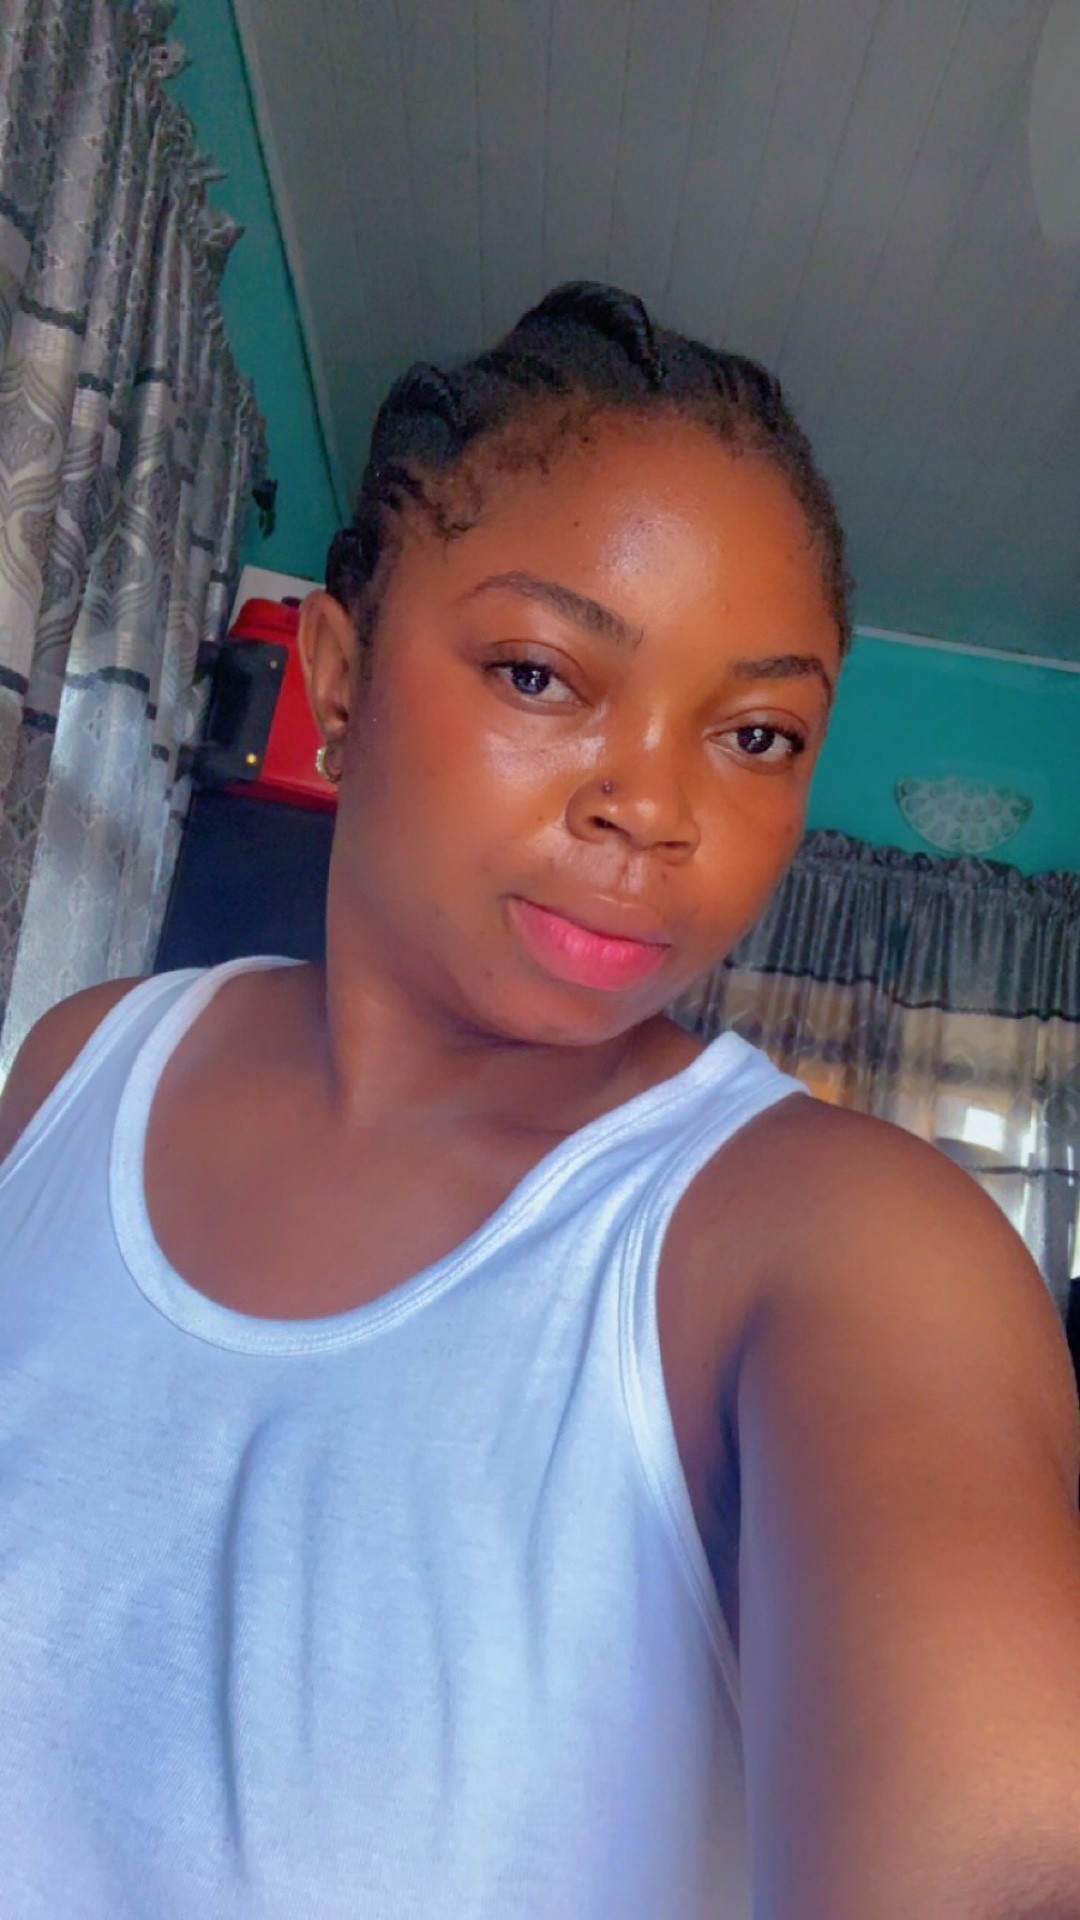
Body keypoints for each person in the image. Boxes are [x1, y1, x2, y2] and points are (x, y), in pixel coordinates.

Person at [0, 282, 1078, 1920]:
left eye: (757, 733)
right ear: (340, 681)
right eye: (539, 673)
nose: (654, 805)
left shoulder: (839, 1244)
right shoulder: (83, 1068)